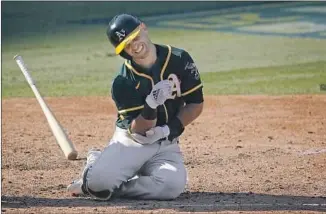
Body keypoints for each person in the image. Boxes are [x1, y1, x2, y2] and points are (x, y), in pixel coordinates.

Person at [67, 13, 204, 201]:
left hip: (165, 143)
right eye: (127, 45)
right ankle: (94, 170)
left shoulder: (179, 59)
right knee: (98, 184)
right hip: (132, 142)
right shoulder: (122, 82)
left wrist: (167, 130)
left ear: (143, 27)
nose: (135, 46)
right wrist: (151, 104)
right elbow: (138, 130)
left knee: (171, 186)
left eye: (135, 37)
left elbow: (196, 104)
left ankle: (115, 188)